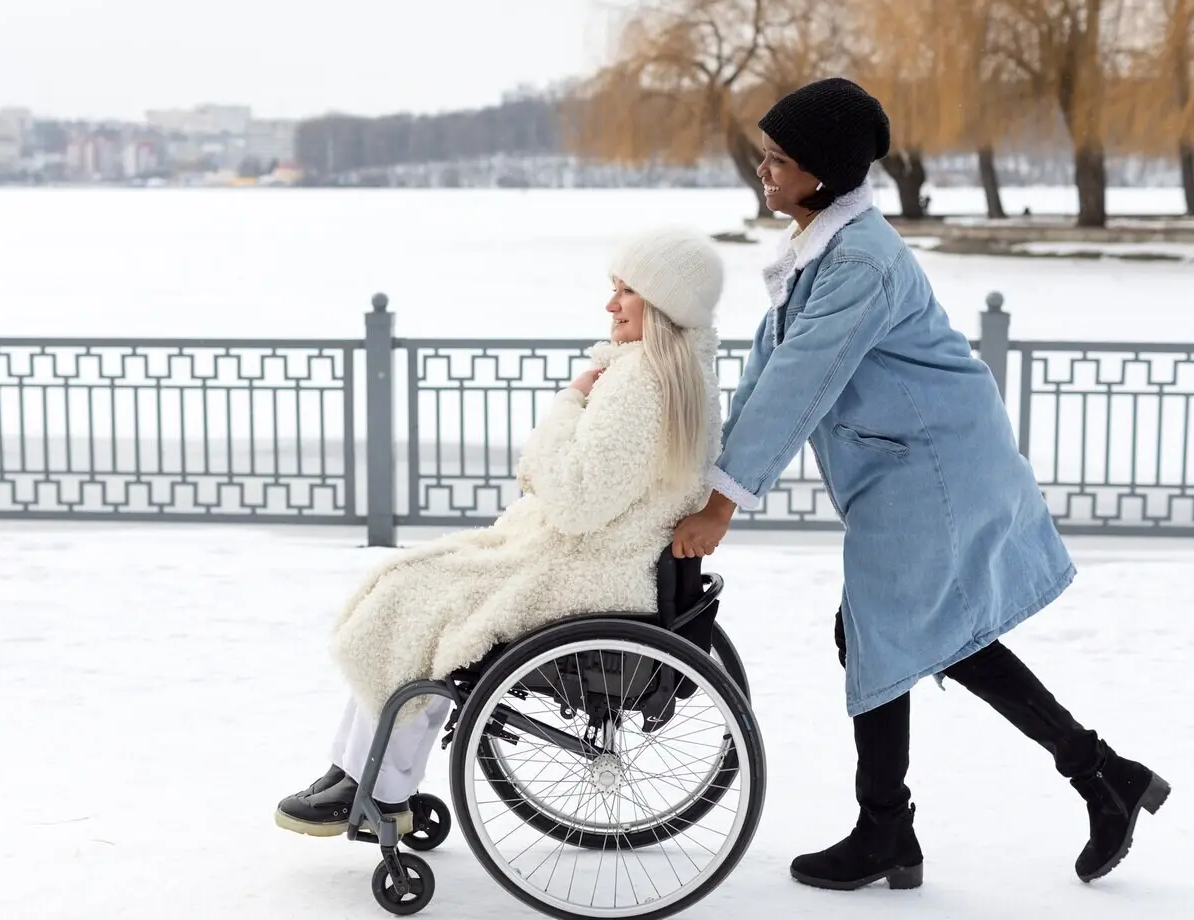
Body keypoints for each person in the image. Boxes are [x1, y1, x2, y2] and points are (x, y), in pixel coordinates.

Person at [672, 78, 1170, 890]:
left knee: (882, 634)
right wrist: (701, 471)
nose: (763, 168)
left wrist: (724, 501)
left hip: (932, 468)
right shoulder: (817, 252)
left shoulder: (861, 261)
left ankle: (889, 830)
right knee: (910, 636)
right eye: (765, 153)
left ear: (824, 176)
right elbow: (769, 368)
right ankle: (1094, 774)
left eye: (780, 158)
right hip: (911, 463)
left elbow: (803, 379)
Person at [275, 227, 727, 837]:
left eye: (626, 292)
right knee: (411, 588)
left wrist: (567, 404)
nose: (611, 305)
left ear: (665, 306)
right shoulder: (669, 375)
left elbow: (573, 498)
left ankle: (374, 786)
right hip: (606, 559)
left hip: (583, 568)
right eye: (613, 290)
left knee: (414, 600)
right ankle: (358, 770)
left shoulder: (640, 385)